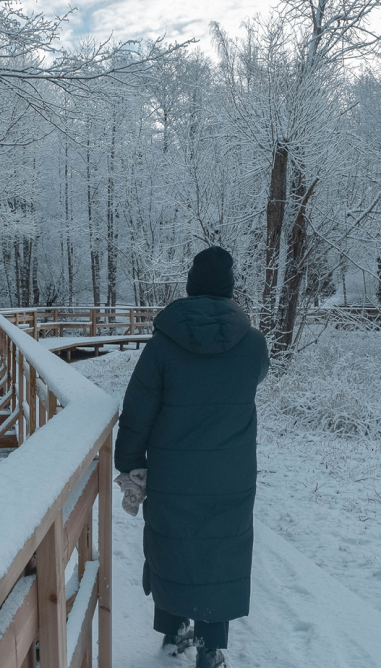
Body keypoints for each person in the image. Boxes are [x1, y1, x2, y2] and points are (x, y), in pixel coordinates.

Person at [115, 246, 270, 668]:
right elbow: (256, 377)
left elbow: (138, 407)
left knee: (172, 545)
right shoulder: (253, 344)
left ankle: (173, 628)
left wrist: (128, 460)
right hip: (229, 474)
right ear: (230, 288)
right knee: (221, 552)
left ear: (191, 285)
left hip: (173, 471)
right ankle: (210, 648)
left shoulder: (162, 345)